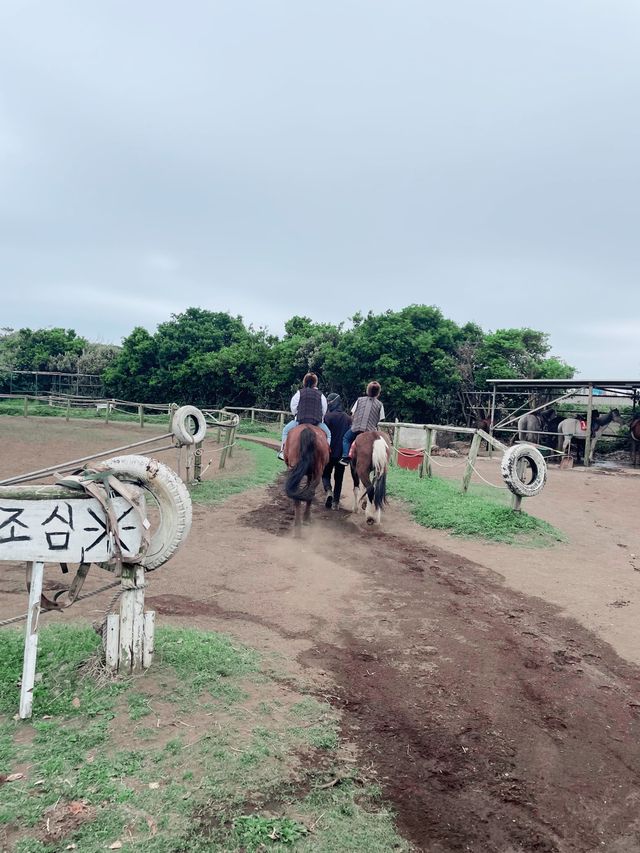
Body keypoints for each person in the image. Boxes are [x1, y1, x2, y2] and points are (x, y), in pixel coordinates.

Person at [277, 373, 331, 460]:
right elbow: (324, 409)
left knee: (285, 430)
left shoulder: (299, 393)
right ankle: (326, 454)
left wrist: (296, 415)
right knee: (328, 434)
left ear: (304, 382)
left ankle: (283, 451)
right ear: (315, 383)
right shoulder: (321, 395)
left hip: (300, 421)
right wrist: (320, 418)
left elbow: (293, 407)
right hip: (316, 422)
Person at [340, 381, 385, 465]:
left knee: (346, 438)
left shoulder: (359, 400)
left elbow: (352, 413)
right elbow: (380, 419)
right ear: (378, 392)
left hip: (356, 428)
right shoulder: (380, 404)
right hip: (370, 431)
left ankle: (345, 457)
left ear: (368, 390)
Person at [322, 392, 352, 509]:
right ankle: (336, 503)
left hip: (328, 452)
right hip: (341, 454)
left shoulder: (327, 417)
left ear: (332, 403)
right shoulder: (348, 418)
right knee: (339, 478)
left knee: (325, 475)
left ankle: (328, 490)